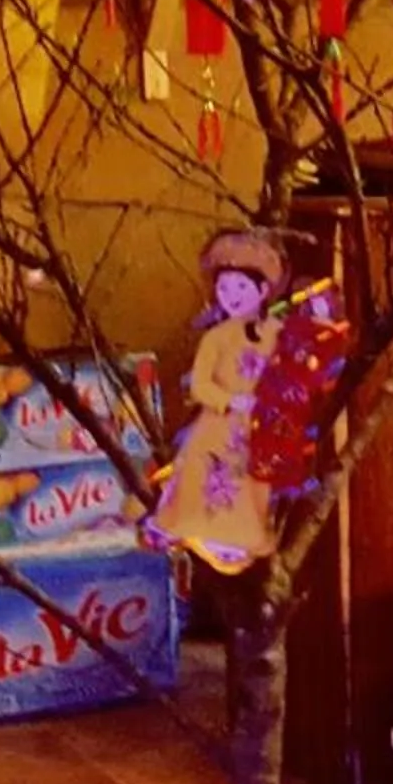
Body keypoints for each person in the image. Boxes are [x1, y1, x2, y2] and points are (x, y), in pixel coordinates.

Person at [151, 229, 290, 574]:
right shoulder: (216, 337)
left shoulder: (279, 333)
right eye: (224, 288)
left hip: (263, 423)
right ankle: (207, 535)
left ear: (263, 290)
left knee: (254, 485)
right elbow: (200, 385)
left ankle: (245, 537)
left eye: (241, 287)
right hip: (220, 422)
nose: (232, 296)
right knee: (208, 476)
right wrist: (230, 400)